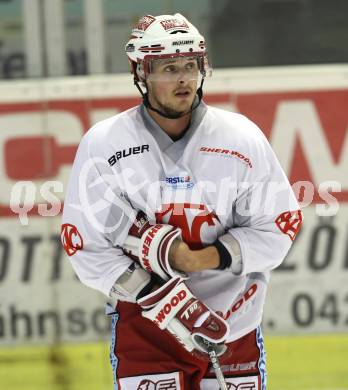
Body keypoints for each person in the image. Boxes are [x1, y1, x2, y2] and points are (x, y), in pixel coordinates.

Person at [61, 13, 302, 390]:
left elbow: (278, 226)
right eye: (169, 67)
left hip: (232, 325)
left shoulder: (241, 138)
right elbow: (85, 245)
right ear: (140, 72)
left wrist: (198, 259)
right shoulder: (104, 144)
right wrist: (160, 295)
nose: (183, 78)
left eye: (190, 65)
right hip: (146, 332)